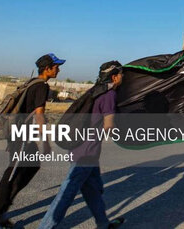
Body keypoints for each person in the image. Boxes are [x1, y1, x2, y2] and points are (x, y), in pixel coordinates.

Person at [39, 61, 125, 229]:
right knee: (67, 192)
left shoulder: (95, 91)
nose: (123, 78)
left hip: (81, 149)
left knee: (93, 190)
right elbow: (108, 126)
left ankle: (103, 223)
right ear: (114, 77)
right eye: (122, 75)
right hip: (86, 152)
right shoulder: (109, 95)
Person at [0, 53, 65, 229]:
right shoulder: (41, 86)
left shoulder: (31, 83)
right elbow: (39, 116)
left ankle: (1, 212)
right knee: (12, 176)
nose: (58, 69)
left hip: (21, 134)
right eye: (56, 66)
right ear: (47, 68)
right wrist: (45, 142)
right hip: (21, 136)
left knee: (30, 167)